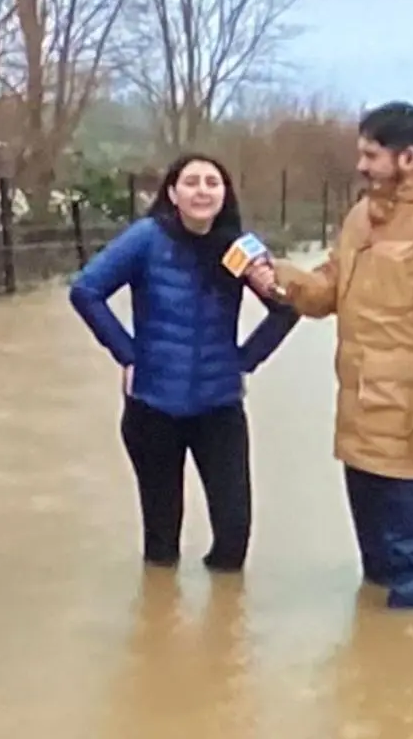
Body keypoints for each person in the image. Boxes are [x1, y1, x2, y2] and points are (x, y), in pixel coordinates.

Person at [249, 101, 413, 609]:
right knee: (376, 565)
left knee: (410, 564)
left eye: (370, 155)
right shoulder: (361, 216)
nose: (360, 165)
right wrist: (282, 278)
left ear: (407, 158)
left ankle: (408, 672)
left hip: (411, 423)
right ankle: (373, 672)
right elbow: (329, 290)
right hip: (360, 416)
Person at [69, 153, 299, 571]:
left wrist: (244, 361)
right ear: (173, 193)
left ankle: (223, 628)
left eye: (212, 182)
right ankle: (159, 624)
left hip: (220, 406)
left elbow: (286, 309)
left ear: (224, 193)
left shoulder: (241, 248)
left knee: (233, 539)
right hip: (152, 406)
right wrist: (127, 353)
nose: (202, 190)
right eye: (191, 182)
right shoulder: (145, 238)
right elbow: (86, 291)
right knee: (162, 546)